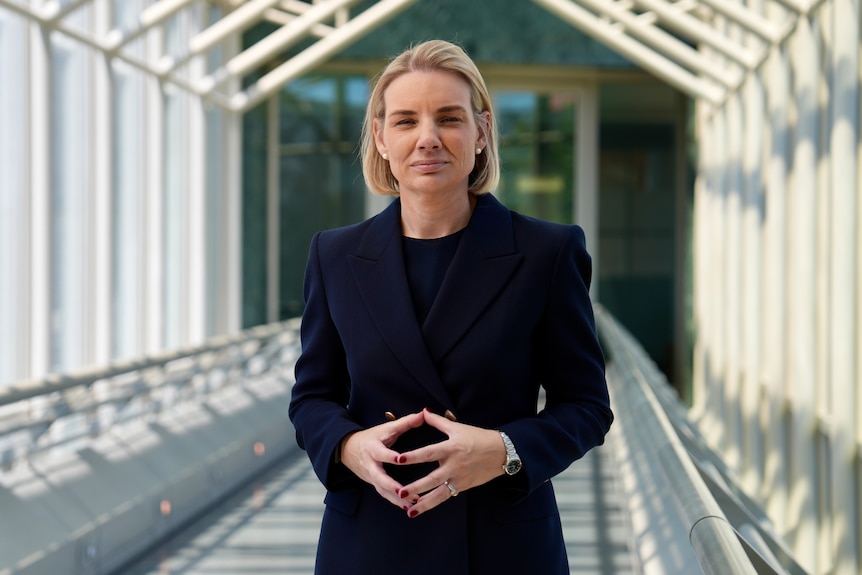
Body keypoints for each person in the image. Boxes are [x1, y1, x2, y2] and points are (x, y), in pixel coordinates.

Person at [288, 39, 613, 575]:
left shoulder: (547, 253)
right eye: (406, 121)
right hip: (370, 542)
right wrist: (348, 447)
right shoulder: (335, 254)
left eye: (449, 118)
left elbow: (586, 405)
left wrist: (504, 449)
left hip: (500, 547)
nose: (428, 139)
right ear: (380, 138)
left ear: (482, 132)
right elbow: (312, 398)